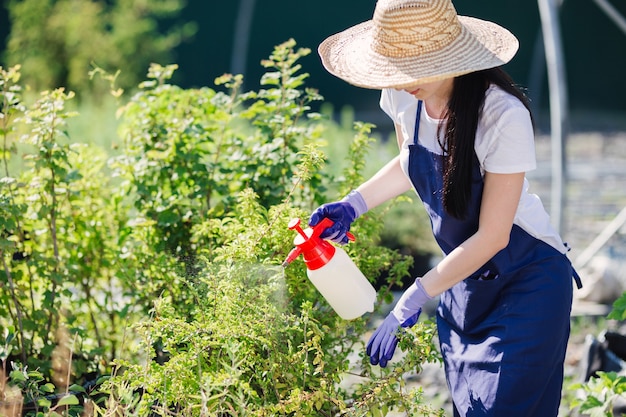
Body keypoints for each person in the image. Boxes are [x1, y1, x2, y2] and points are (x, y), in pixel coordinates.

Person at [308, 0, 582, 415]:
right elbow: (411, 162)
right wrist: (354, 204)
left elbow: (494, 236)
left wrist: (416, 294)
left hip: (527, 282)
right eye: (394, 69)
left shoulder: (501, 115)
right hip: (465, 280)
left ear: (449, 56)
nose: (400, 81)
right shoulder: (403, 94)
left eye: (412, 67)